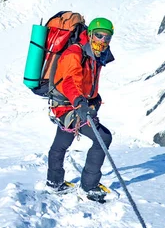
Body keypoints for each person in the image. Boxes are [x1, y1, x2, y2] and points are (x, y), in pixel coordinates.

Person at [46, 17, 115, 202]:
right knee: (103, 138)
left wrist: (92, 99)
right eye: (99, 35)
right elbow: (70, 80)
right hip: (70, 106)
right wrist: (80, 102)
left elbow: (86, 81)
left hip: (69, 105)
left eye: (107, 37)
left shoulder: (94, 54)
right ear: (90, 34)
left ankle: (54, 182)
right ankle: (89, 186)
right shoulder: (75, 52)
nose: (102, 41)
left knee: (62, 141)